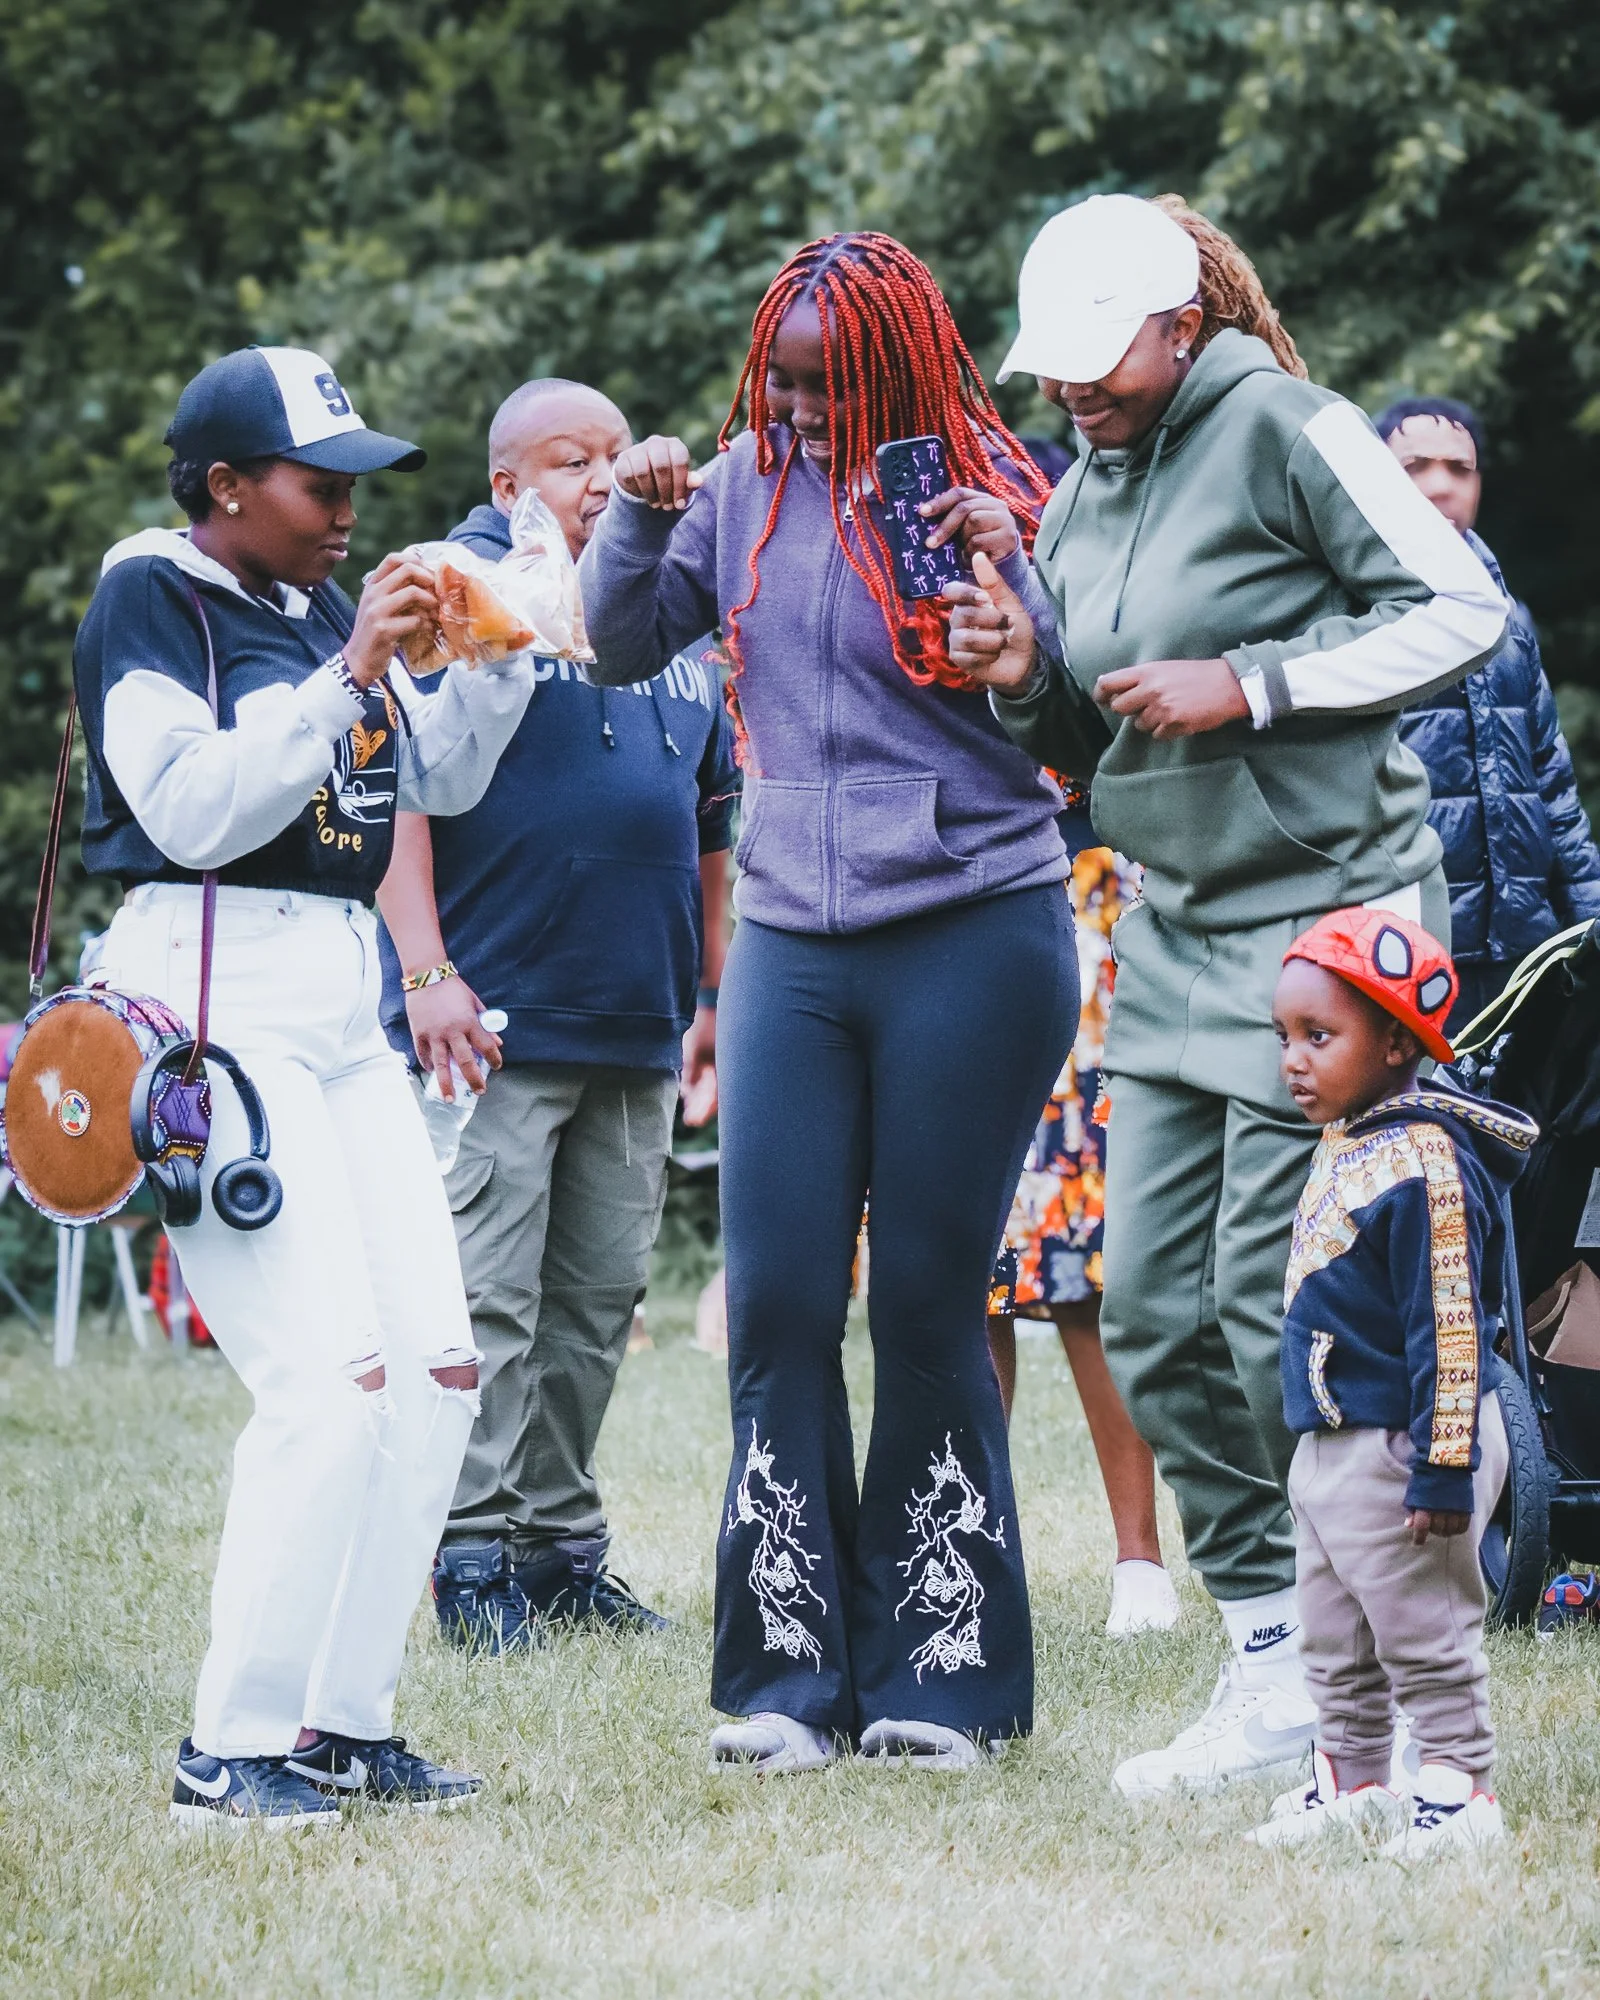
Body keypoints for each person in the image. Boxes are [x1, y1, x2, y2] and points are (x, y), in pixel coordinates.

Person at [951, 192, 1506, 1796]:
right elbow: (1094, 738)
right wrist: (1023, 677)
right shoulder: (1078, 492)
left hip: (1329, 933)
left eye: (1101, 357)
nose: (1072, 387)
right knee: (1149, 1313)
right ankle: (1273, 1662)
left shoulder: (1286, 428)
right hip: (1179, 932)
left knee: (1283, 1313)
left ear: (1182, 327)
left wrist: (1252, 683)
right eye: (1053, 364)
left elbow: (1462, 610)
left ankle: (1372, 1689)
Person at [579, 231, 1078, 1772]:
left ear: (897, 365)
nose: (796, 410)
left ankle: (945, 1681)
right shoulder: (738, 486)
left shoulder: (987, 487)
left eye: (826, 386)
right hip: (792, 935)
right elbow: (619, 643)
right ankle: (782, 1685)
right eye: (780, 383)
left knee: (924, 1301)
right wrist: (633, 516)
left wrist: (1020, 596)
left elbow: (1071, 705)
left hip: (973, 927)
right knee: (782, 1302)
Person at [74, 346, 538, 1826]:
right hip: (211, 977)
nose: (346, 509)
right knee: (329, 1385)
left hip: (336, 996)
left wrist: (498, 653)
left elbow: (429, 783)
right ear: (225, 485)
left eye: (355, 483)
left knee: (438, 1372)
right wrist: (348, 678)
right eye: (316, 482)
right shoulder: (151, 589)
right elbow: (188, 808)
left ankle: (341, 1724)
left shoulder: (319, 607)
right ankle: (229, 1749)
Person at [376, 377, 736, 1647]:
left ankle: (559, 1552)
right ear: (506, 485)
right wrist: (426, 971)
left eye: (611, 454)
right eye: (568, 460)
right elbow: (392, 788)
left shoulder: (666, 613)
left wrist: (711, 994)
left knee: (596, 1305)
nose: (599, 478)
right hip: (493, 1018)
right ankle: (469, 1556)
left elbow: (711, 825)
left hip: (638, 1020)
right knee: (486, 1301)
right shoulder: (460, 597)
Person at [1250, 906, 1533, 1856]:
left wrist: (1444, 1469)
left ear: (1398, 1043)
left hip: (1407, 1446)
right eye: (1284, 1037)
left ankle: (1458, 1790)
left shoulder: (1424, 1163)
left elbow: (1451, 1326)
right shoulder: (1354, 1137)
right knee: (1333, 1634)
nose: (1293, 1061)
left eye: (1318, 1037)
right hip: (1335, 1445)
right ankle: (1356, 1780)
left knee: (1422, 1630)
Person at [986, 838, 1179, 1637]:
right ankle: (966, 1546)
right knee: (969, 1265)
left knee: (1085, 1264)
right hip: (961, 884)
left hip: (1093, 884)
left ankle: (1141, 1563)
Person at [1375, 395, 1600, 1032]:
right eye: (1415, 466)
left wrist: (1589, 915)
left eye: (1459, 468)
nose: (1440, 485)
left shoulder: (1508, 618)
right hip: (1402, 949)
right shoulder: (1348, 611)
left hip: (1523, 952)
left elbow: (1552, 784)